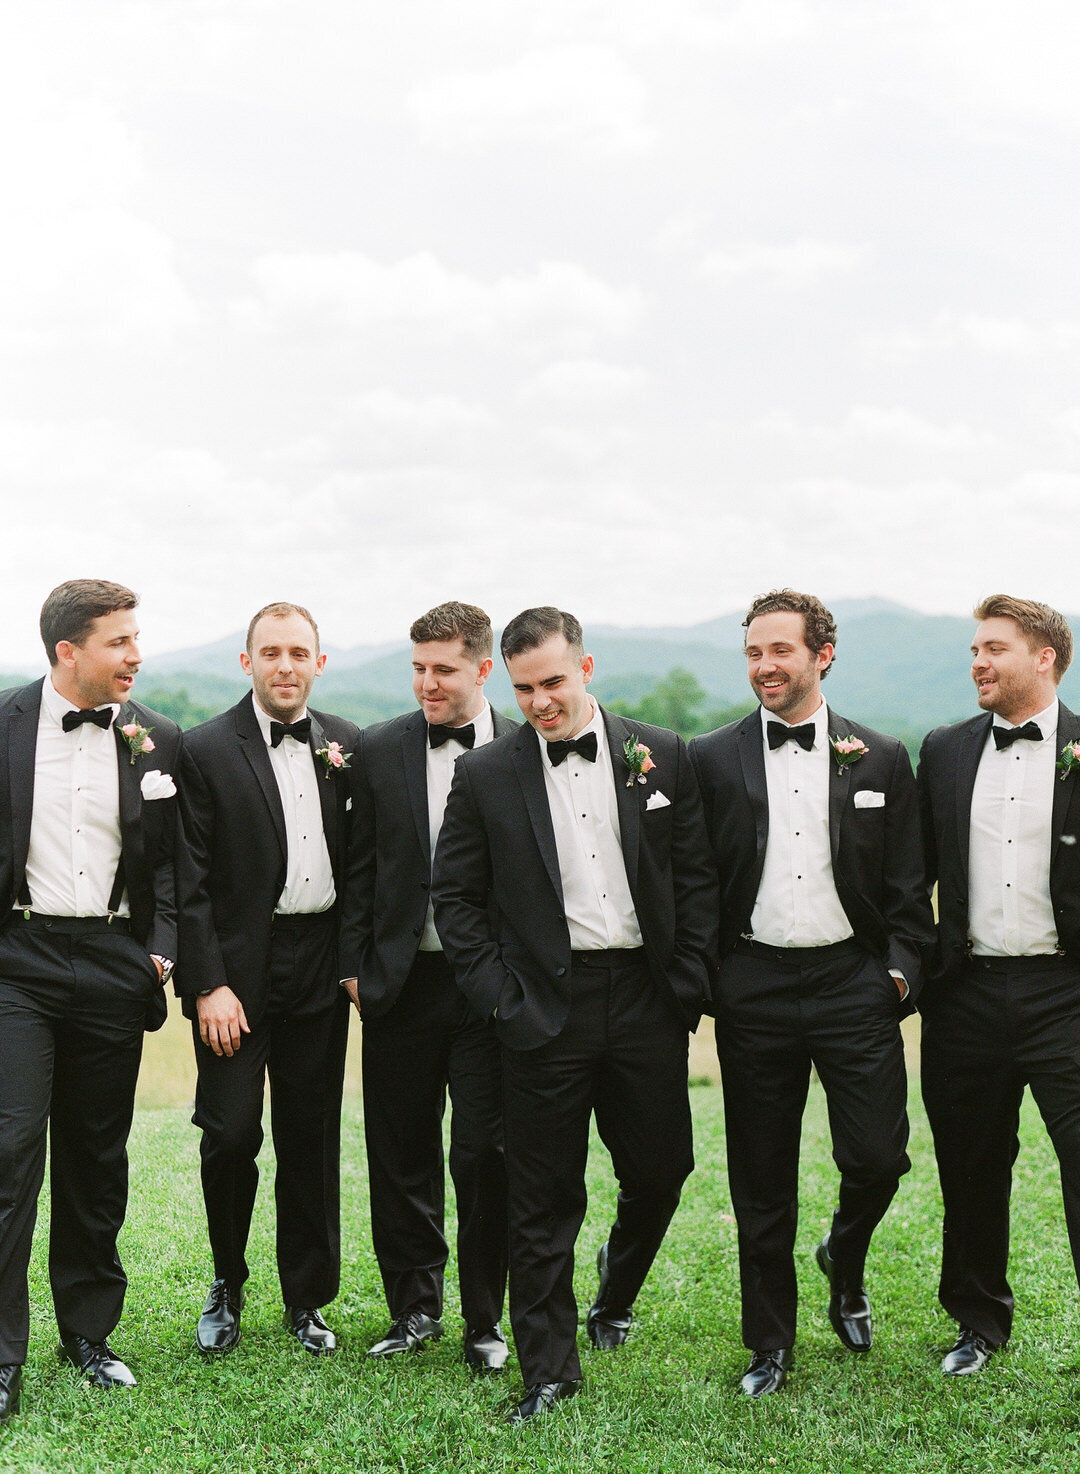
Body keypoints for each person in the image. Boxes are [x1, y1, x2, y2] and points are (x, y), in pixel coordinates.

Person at [432, 606, 717, 1421]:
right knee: (542, 1199)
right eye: (524, 690)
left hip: (645, 1001)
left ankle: (614, 1293)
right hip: (540, 1009)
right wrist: (500, 1000)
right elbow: (455, 900)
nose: (540, 703)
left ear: (585, 670)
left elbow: (695, 878)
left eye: (553, 682)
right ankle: (549, 1371)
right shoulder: (486, 773)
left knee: (662, 1172)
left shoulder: (661, 753)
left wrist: (686, 985)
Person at [689, 589, 933, 1396]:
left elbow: (908, 884)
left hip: (851, 983)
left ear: (821, 655)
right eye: (754, 652)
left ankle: (845, 1254)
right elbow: (695, 877)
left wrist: (896, 973)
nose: (765, 666)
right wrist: (716, 976)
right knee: (760, 1177)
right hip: (752, 984)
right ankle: (770, 1344)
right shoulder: (711, 757)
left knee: (879, 1157)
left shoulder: (883, 757)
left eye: (780, 651)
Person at [0, 579, 181, 1419]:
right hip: (18, 960)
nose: (135, 655)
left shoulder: (158, 741)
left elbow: (181, 865)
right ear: (68, 652)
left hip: (114, 961)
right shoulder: (2, 727)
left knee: (97, 1158)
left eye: (136, 639)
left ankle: (88, 1334)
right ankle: (2, 1355)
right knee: (9, 1150)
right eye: (119, 641)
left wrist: (159, 954)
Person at [177, 602, 357, 1357]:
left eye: (299, 653)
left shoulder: (348, 744)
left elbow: (366, 865)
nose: (286, 666)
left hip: (321, 963)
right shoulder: (204, 748)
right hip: (236, 972)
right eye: (271, 652)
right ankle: (226, 1281)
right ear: (246, 662)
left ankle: (306, 1299)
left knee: (310, 1137)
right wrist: (207, 983)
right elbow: (184, 878)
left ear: (319, 661)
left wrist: (354, 961)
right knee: (230, 1132)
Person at [339, 601, 514, 1370]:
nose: (426, 684)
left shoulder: (525, 744)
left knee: (484, 1154)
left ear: (482, 669)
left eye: (442, 669)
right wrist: (353, 966)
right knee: (400, 1152)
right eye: (417, 668)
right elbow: (358, 867)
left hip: (489, 989)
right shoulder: (379, 748)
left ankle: (484, 1319)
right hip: (401, 985)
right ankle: (413, 1310)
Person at [918, 595, 1080, 1375]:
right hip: (966, 992)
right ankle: (978, 1323)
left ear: (1043, 656)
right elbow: (910, 875)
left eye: (994, 648)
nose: (977, 662)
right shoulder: (944, 750)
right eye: (974, 649)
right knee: (972, 1165)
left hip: (1068, 994)